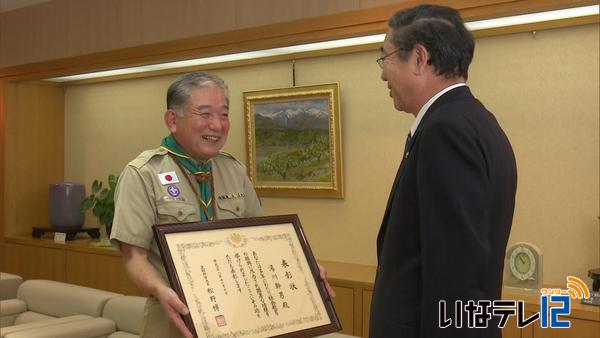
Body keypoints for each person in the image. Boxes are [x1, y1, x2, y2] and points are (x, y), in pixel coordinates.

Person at [370, 5, 517, 338]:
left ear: (419, 59)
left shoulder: (445, 132)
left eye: (386, 58)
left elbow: (456, 278)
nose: (382, 74)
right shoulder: (479, 122)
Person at [110, 72, 264, 338]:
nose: (217, 125)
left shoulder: (234, 171)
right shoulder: (143, 174)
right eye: (204, 114)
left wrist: (303, 266)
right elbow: (134, 258)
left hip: (236, 316)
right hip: (174, 318)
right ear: (172, 120)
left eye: (224, 114)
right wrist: (161, 290)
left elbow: (259, 240)